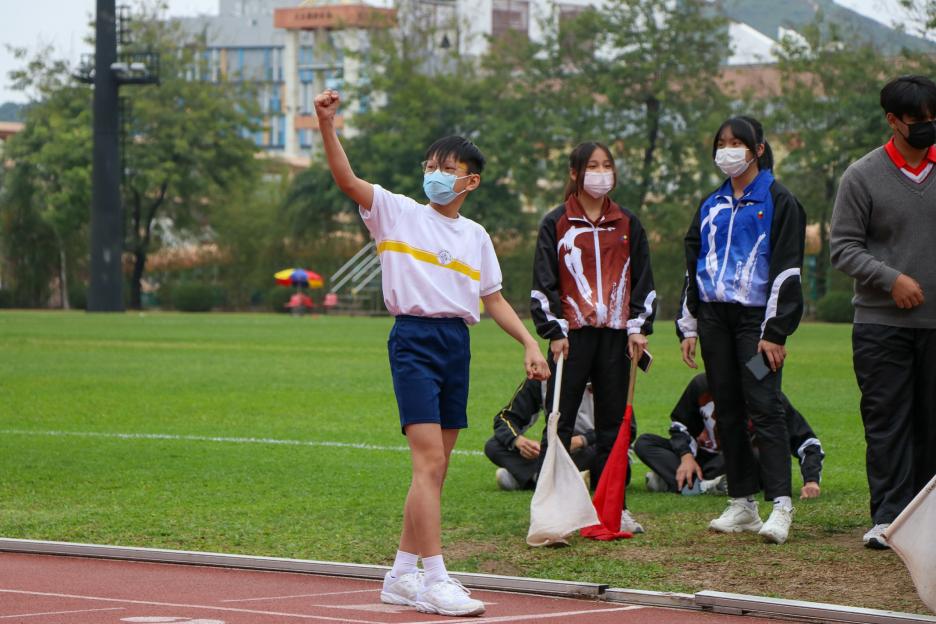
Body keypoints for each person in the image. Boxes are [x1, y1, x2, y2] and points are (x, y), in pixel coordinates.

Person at [314, 89, 549, 617]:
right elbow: (347, 180)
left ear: (471, 181)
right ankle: (435, 579)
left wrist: (529, 342)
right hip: (414, 340)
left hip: (455, 345)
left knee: (435, 471)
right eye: (430, 166)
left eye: (447, 168)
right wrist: (327, 124)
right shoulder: (397, 213)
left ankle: (401, 575)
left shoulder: (476, 236)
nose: (435, 175)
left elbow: (493, 299)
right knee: (428, 462)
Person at [676, 116, 806, 545]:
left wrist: (776, 332)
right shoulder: (711, 204)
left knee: (764, 404)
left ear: (758, 149)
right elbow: (693, 265)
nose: (727, 150)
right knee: (728, 408)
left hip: (756, 324)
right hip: (715, 321)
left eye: (737, 143)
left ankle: (781, 505)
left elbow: (788, 270)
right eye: (722, 143)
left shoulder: (779, 201)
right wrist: (689, 325)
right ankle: (742, 503)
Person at [830, 75, 936, 550]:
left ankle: (927, 521)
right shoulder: (861, 176)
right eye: (919, 120)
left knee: (932, 425)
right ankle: (889, 519)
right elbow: (843, 248)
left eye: (935, 118)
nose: (929, 126)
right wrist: (891, 279)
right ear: (893, 121)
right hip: (880, 325)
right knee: (887, 423)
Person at [531, 141, 655, 534]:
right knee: (559, 424)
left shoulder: (628, 223)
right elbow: (543, 284)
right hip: (571, 338)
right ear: (575, 173)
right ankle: (551, 512)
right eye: (593, 166)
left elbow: (644, 280)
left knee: (612, 428)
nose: (602, 173)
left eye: (607, 166)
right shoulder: (556, 223)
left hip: (616, 337)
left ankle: (612, 509)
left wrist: (638, 326)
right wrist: (554, 331)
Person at [635, 374, 824, 499]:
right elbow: (680, 425)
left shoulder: (770, 398)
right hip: (704, 460)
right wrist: (686, 456)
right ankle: (705, 485)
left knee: (757, 456)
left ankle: (679, 483)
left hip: (742, 461)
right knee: (645, 443)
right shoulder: (702, 385)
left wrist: (811, 480)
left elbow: (808, 442)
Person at [485, 379, 598, 491]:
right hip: (553, 450)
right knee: (494, 445)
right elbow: (505, 418)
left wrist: (582, 440)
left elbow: (608, 428)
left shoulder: (602, 375)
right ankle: (565, 479)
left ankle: (530, 477)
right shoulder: (542, 377)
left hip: (589, 447)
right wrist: (518, 440)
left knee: (600, 452)